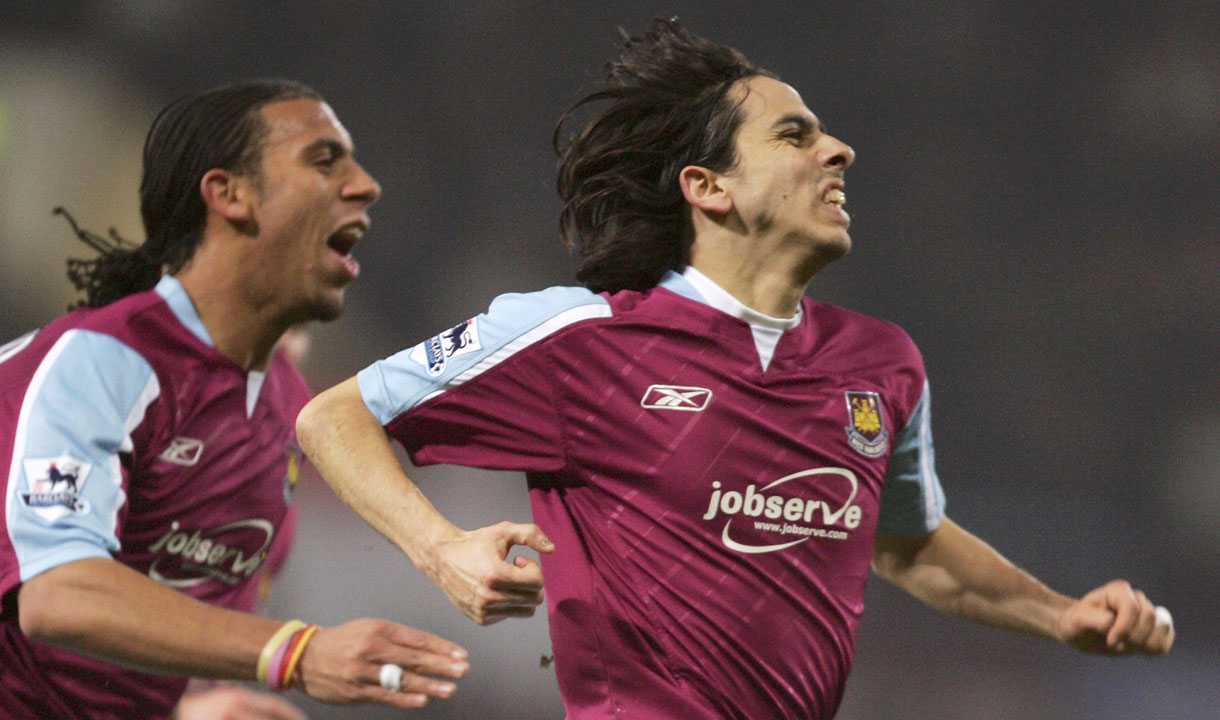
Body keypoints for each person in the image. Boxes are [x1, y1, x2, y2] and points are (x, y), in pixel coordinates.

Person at [296, 20, 1174, 720]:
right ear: (708, 187)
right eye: (796, 135)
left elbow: (907, 545)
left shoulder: (882, 363)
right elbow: (333, 418)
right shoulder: (580, 335)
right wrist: (442, 551)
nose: (839, 153)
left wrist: (1061, 615)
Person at [0, 79, 468, 720]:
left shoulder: (284, 410)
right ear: (229, 195)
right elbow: (57, 593)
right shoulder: (104, 361)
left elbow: (151, 633)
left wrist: (187, 711)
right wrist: (297, 653)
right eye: (324, 160)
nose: (365, 185)